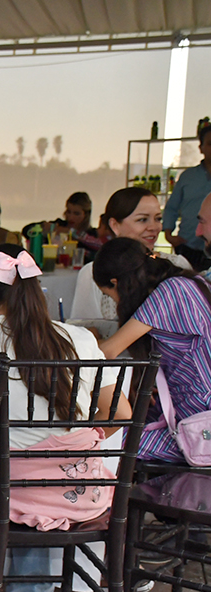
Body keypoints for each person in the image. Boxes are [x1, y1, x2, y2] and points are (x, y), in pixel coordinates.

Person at [0, 244, 129, 592]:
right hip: (81, 490)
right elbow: (121, 413)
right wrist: (69, 447)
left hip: (14, 490)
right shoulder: (82, 340)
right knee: (30, 486)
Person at [93, 237, 211, 463]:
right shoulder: (191, 282)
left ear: (116, 283)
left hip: (199, 424)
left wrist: (83, 338)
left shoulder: (173, 292)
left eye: (109, 295)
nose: (114, 303)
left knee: (104, 437)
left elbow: (108, 351)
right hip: (193, 413)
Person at [70, 187, 192, 322]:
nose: (153, 227)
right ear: (115, 225)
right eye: (142, 219)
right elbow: (83, 327)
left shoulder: (177, 264)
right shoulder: (93, 272)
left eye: (158, 219)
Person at [163, 119, 211, 253]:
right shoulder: (188, 177)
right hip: (187, 245)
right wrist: (168, 235)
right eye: (210, 144)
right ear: (201, 148)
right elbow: (171, 207)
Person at [21, 192, 102, 260]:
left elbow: (97, 253)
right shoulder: (58, 224)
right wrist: (44, 228)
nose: (71, 217)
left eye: (76, 213)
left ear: (86, 215)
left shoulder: (92, 234)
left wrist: (71, 233)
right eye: (68, 212)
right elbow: (26, 230)